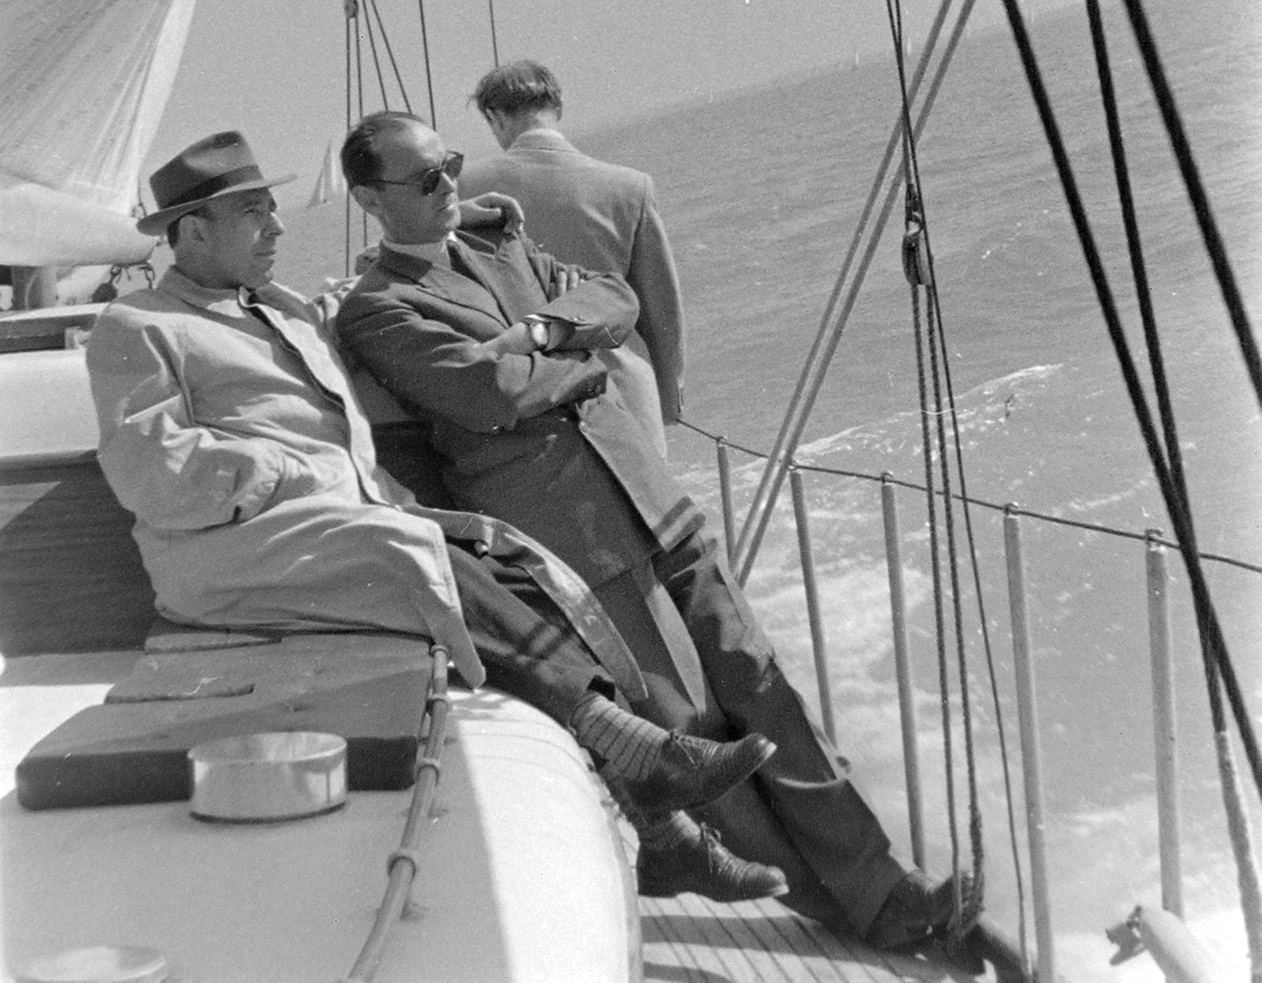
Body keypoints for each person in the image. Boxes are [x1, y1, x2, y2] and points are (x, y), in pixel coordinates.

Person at [83, 129, 787, 904]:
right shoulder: (137, 326)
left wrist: (462, 221)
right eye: (253, 213)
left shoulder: (282, 311)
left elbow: (372, 295)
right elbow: (150, 468)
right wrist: (299, 472)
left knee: (517, 560)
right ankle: (637, 752)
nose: (277, 227)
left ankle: (667, 836)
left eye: (272, 208)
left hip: (333, 527)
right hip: (235, 550)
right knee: (423, 556)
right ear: (189, 232)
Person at [336, 110, 974, 953]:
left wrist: (543, 336)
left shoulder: (499, 245)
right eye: (423, 178)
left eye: (448, 163)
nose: (450, 183)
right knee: (697, 729)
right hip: (572, 537)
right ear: (367, 200)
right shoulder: (377, 311)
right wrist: (569, 357)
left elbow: (614, 296)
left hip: (647, 492)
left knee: (763, 682)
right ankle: (860, 910)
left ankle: (882, 880)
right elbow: (489, 393)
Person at [460, 60, 683, 459]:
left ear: (494, 117)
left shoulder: (462, 191)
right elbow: (660, 313)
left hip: (522, 403)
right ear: (557, 107)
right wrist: (667, 400)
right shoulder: (630, 187)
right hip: (623, 396)